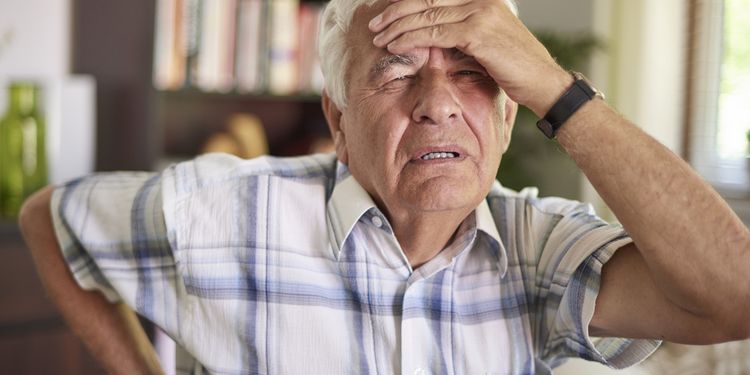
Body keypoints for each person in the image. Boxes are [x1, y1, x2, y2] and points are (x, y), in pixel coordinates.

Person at [19, 0, 750, 374]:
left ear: (505, 116)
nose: (437, 102)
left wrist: (559, 90)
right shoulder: (225, 210)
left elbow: (735, 294)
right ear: (336, 120)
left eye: (474, 73)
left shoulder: (544, 251)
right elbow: (51, 217)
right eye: (397, 71)